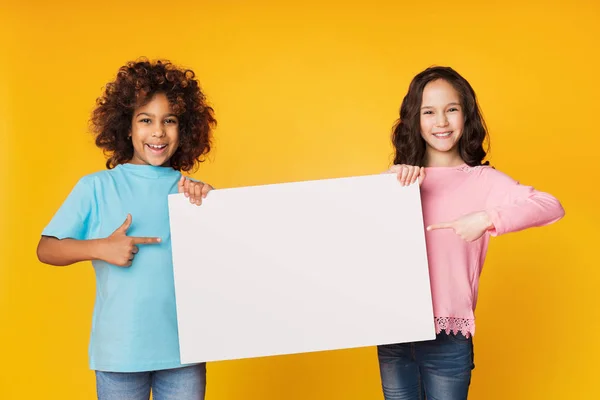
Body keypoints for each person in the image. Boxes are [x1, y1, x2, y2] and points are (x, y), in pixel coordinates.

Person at [378, 66, 565, 400]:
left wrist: (486, 218)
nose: (441, 122)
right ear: (414, 120)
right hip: (395, 332)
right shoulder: (399, 182)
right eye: (429, 112)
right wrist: (384, 185)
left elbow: (551, 206)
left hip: (449, 337)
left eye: (451, 109)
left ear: (466, 116)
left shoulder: (484, 182)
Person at [37, 59, 216, 400]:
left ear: (186, 129)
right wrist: (99, 247)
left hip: (184, 350)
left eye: (170, 121)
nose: (158, 132)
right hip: (119, 351)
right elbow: (46, 249)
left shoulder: (190, 191)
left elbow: (227, 265)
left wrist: (210, 206)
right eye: (145, 120)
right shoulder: (97, 187)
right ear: (127, 128)